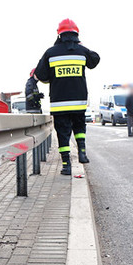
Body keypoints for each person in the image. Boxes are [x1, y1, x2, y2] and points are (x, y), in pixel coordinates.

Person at [34, 19, 100, 175]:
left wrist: (53, 76)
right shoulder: (82, 51)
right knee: (79, 127)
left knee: (63, 133)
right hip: (79, 101)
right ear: (76, 34)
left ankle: (66, 165)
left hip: (60, 103)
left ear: (59, 34)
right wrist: (81, 46)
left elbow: (40, 74)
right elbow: (95, 59)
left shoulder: (50, 53)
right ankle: (82, 153)